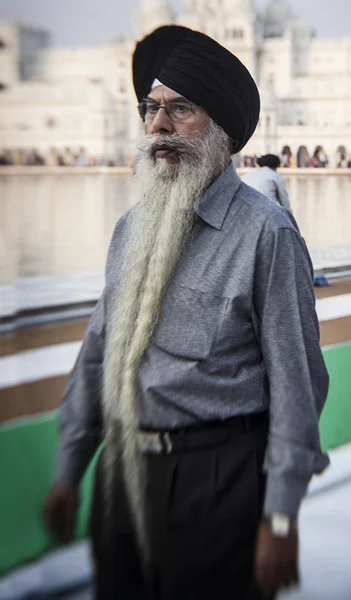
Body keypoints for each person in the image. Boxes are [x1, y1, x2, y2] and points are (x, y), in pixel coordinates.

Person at [44, 25, 329, 600]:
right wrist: (71, 467)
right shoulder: (132, 229)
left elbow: (298, 386)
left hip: (218, 481)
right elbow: (100, 352)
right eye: (150, 109)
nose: (157, 127)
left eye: (180, 109)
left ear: (220, 130)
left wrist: (280, 517)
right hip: (123, 476)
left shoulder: (264, 235)